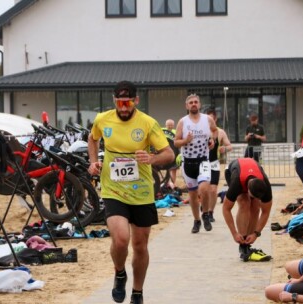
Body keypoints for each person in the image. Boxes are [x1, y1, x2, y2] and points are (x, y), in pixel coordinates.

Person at [87, 81, 174, 304]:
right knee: (120, 240)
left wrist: (152, 158)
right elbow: (92, 139)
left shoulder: (147, 123)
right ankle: (119, 273)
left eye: (127, 103)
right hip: (113, 189)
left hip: (142, 191)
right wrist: (93, 161)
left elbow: (169, 154)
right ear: (114, 101)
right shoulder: (102, 119)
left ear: (136, 100)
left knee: (139, 246)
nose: (124, 108)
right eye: (119, 103)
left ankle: (137, 291)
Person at [174, 94, 218, 233]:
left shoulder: (207, 119)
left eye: (196, 102)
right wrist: (185, 141)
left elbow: (215, 130)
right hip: (188, 162)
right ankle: (196, 220)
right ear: (187, 106)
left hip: (203, 161)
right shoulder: (183, 122)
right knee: (192, 195)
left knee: (204, 189)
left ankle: (205, 214)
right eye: (191, 102)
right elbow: (176, 142)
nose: (193, 104)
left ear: (199, 104)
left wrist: (213, 140)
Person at [221, 158, 273, 262]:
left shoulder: (266, 185)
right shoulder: (237, 184)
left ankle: (247, 242)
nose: (255, 198)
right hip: (233, 171)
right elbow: (226, 209)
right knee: (244, 202)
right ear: (248, 190)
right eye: (253, 196)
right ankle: (243, 244)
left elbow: (266, 212)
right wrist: (235, 233)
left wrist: (256, 233)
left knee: (256, 206)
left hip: (252, 169)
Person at [204, 107, 232, 222]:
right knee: (204, 189)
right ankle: (205, 209)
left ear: (215, 119)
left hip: (214, 163)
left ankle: (210, 212)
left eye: (211, 119)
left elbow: (230, 146)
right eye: (208, 119)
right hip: (203, 163)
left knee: (213, 189)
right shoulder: (202, 131)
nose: (210, 121)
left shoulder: (220, 132)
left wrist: (224, 148)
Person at [161, 119, 178, 189]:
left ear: (173, 125)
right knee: (166, 170)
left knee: (173, 170)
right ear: (165, 125)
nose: (170, 126)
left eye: (171, 125)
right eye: (168, 125)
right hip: (164, 153)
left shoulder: (176, 132)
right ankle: (165, 184)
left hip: (175, 153)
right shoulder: (161, 131)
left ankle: (173, 184)